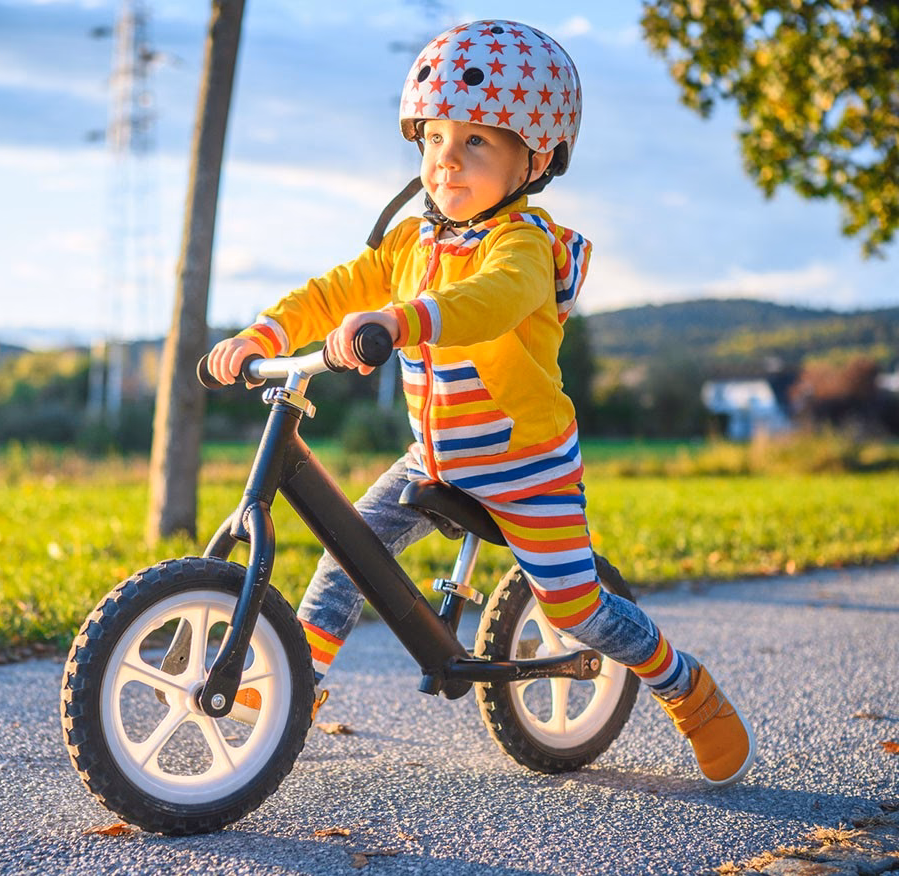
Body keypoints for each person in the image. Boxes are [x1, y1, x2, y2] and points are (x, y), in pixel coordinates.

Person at [207, 19, 754, 786]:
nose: (446, 161)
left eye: (476, 143)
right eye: (433, 139)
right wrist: (266, 329)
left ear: (535, 159)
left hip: (524, 461)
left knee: (577, 612)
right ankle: (288, 694)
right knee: (345, 561)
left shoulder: (523, 243)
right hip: (433, 455)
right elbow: (336, 289)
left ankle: (682, 685)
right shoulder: (407, 242)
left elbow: (486, 302)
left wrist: (399, 320)